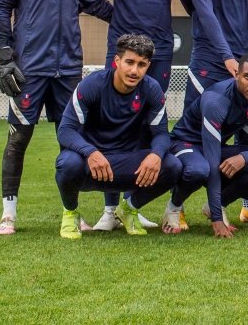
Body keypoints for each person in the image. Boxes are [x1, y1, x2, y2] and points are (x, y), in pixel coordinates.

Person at [0, 0, 113, 235]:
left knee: (70, 142)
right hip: (29, 69)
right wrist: (5, 56)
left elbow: (93, 2)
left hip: (69, 69)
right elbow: (1, 6)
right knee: (18, 139)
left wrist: (127, 20)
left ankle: (71, 213)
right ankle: (8, 215)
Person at [90, 0, 192, 231]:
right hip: (120, 52)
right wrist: (114, 17)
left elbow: (193, 4)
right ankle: (109, 210)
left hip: (160, 53)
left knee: (148, 125)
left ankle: (130, 207)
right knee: (111, 125)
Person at [53, 34, 181, 239]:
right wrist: (90, 152)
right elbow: (65, 130)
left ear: (148, 66)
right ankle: (70, 213)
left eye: (141, 64)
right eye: (129, 62)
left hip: (127, 162)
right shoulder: (92, 84)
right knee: (67, 163)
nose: (134, 71)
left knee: (172, 165)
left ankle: (129, 210)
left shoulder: (152, 89)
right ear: (117, 61)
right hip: (91, 164)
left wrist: (156, 154)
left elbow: (161, 134)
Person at [163, 53, 248, 237]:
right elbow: (213, 164)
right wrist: (217, 220)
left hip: (215, 146)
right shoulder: (216, 100)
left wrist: (244, 157)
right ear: (237, 75)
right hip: (184, 143)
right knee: (200, 169)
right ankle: (173, 207)